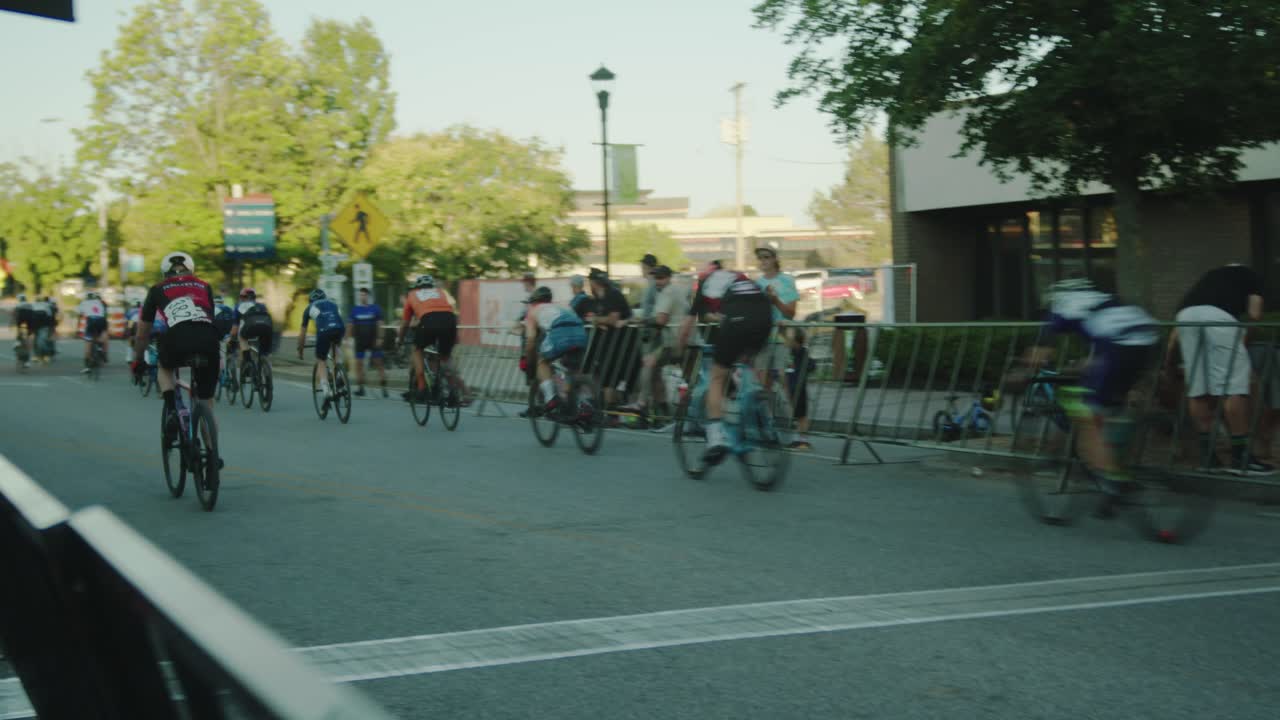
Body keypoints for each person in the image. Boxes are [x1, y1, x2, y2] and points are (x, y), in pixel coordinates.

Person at [1021, 277, 1159, 493]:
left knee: (1087, 416)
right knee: (1111, 408)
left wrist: (1024, 370)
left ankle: (1112, 478)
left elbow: (1041, 351)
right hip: (1147, 341)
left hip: (1119, 349)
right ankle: (1117, 464)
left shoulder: (1063, 304)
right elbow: (1104, 340)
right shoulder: (1104, 299)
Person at [1167, 264, 1274, 475]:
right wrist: (1243, 341)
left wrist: (1168, 362)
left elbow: (1174, 336)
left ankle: (1208, 459)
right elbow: (1254, 314)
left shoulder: (1208, 277)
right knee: (1234, 386)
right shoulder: (1251, 275)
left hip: (1185, 317)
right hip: (1219, 317)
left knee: (1198, 388)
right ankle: (1241, 458)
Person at [130, 251, 223, 465]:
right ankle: (212, 454)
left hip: (177, 338)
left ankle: (172, 407)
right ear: (192, 270)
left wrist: (138, 360)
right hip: (208, 339)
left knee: (165, 366)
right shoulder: (204, 286)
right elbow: (209, 315)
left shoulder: (156, 289)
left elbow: (143, 333)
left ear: (165, 273)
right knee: (206, 403)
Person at [675, 261, 772, 464]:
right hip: (764, 317)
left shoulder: (704, 284)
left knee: (717, 377)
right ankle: (759, 413)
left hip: (737, 320)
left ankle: (716, 439)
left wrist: (679, 350)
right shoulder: (738, 276)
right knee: (746, 360)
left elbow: (686, 327)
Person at [620, 265, 688, 426]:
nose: (658, 281)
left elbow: (660, 320)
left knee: (648, 362)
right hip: (687, 339)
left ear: (669, 277)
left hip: (673, 341)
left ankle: (642, 402)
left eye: (661, 277)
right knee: (657, 372)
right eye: (656, 277)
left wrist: (641, 320)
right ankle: (664, 412)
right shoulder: (680, 291)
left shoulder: (667, 293)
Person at [397, 274, 466, 403]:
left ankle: (422, 387)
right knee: (445, 357)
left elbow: (405, 323)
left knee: (417, 350)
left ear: (417, 286)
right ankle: (453, 392)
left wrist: (400, 340)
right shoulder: (440, 292)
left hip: (429, 321)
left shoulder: (412, 294)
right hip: (450, 320)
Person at [521, 286, 589, 415]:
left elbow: (530, 342)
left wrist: (529, 359)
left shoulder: (533, 311)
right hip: (580, 333)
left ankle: (550, 398)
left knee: (542, 361)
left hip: (560, 333)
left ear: (533, 302)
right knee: (572, 372)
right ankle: (583, 404)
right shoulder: (563, 306)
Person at [586, 267, 635, 408]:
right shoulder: (598, 298)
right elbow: (601, 319)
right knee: (602, 375)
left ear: (594, 282)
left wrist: (596, 320)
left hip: (620, 342)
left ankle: (609, 411)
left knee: (609, 377)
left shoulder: (612, 294)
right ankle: (606, 407)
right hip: (607, 343)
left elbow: (613, 319)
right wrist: (600, 320)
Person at [754, 245, 799, 382]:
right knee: (761, 377)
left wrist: (775, 301)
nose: (763, 261)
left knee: (781, 377)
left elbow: (791, 314)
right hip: (763, 336)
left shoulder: (787, 280)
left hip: (782, 335)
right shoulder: (757, 283)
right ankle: (767, 403)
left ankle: (785, 403)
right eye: (760, 258)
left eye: (766, 257)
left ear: (775, 259)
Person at [297, 288, 346, 404]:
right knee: (336, 349)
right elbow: (339, 318)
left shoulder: (309, 307)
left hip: (324, 331)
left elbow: (302, 332)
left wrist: (301, 349)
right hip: (339, 329)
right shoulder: (333, 303)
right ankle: (339, 374)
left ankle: (326, 391)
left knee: (321, 360)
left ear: (310, 300)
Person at [348, 286, 388, 397]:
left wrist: (380, 338)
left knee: (378, 364)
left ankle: (384, 388)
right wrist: (347, 339)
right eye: (360, 295)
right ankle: (361, 388)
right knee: (359, 365)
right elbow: (350, 326)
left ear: (368, 296)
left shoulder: (375, 308)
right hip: (360, 341)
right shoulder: (355, 310)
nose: (362, 297)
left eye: (364, 295)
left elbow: (380, 324)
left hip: (373, 340)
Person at [784, 327, 815, 450]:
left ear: (796, 341)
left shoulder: (803, 352)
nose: (786, 341)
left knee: (802, 415)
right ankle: (798, 439)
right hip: (792, 387)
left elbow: (812, 365)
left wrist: (805, 370)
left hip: (800, 388)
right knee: (796, 414)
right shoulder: (790, 352)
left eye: (789, 339)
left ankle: (804, 440)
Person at [232, 288, 274, 374]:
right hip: (267, 329)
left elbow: (235, 328)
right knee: (263, 352)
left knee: (241, 337)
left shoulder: (238, 306)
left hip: (250, 329)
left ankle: (247, 360)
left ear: (242, 297)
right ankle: (265, 363)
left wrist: (232, 339)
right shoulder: (262, 306)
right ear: (254, 297)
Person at [77, 291, 108, 372]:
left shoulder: (83, 302)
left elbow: (80, 315)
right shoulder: (100, 302)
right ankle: (101, 349)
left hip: (91, 320)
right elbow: (104, 312)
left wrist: (77, 328)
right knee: (102, 335)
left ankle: (87, 367)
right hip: (102, 320)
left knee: (88, 343)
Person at [13, 293, 33, 367]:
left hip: (20, 322)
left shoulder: (18, 305)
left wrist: (11, 324)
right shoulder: (30, 305)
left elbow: (14, 315)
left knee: (19, 335)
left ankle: (18, 342)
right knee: (28, 339)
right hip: (29, 323)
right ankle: (27, 359)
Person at [639, 253, 660, 319]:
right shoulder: (650, 283)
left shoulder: (654, 284)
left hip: (650, 324)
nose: (641, 270)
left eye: (642, 268)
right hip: (647, 321)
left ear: (647, 268)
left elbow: (658, 303)